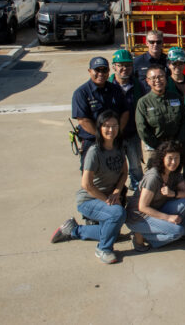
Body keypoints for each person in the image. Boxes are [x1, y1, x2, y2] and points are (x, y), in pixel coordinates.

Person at [51, 110, 127, 265]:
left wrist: (117, 192)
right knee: (117, 213)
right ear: (99, 128)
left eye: (114, 126)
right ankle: (103, 249)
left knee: (112, 231)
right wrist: (107, 200)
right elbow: (86, 185)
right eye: (106, 126)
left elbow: (124, 172)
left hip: (108, 197)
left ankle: (72, 230)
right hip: (89, 200)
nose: (111, 130)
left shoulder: (119, 147)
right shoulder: (94, 151)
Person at [127, 140, 185, 251]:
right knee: (177, 232)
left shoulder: (174, 173)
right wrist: (168, 218)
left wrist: (173, 193)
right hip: (139, 217)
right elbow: (142, 207)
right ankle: (141, 236)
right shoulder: (153, 177)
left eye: (177, 158)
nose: (174, 162)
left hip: (156, 209)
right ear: (162, 158)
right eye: (170, 158)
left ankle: (181, 235)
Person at [71, 56, 127, 168]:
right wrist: (102, 136)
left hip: (114, 139)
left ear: (109, 71)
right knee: (91, 171)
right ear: (89, 71)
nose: (101, 73)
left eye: (104, 70)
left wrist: (116, 132)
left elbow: (125, 112)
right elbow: (83, 120)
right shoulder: (81, 93)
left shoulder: (116, 90)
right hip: (92, 140)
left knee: (116, 169)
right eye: (97, 70)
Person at [108, 49, 144, 190]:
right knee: (114, 166)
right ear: (114, 67)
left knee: (135, 165)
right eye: (120, 65)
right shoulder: (108, 86)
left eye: (128, 65)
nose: (124, 69)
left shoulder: (138, 86)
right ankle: (117, 191)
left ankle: (138, 192)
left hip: (132, 134)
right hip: (113, 136)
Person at [135, 65, 185, 162]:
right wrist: (158, 146)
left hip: (174, 146)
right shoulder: (143, 102)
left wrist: (177, 142)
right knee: (154, 175)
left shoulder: (176, 97)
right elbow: (142, 128)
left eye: (160, 77)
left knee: (173, 174)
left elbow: (184, 121)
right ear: (147, 81)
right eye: (153, 78)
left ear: (166, 78)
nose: (157, 80)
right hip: (154, 148)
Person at [165, 47, 185, 183]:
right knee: (172, 156)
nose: (177, 66)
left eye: (180, 63)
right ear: (169, 64)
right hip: (171, 128)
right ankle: (172, 183)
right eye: (174, 63)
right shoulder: (165, 83)